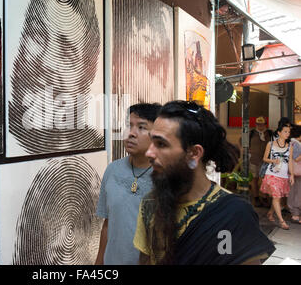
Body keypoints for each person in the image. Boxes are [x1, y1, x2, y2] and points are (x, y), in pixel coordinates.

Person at [133, 100, 275, 265]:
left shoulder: (233, 214)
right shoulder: (151, 204)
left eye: (161, 144)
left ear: (194, 153)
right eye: (151, 142)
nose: (149, 153)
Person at [95, 103, 162, 265]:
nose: (131, 133)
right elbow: (108, 224)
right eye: (128, 125)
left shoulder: (164, 177)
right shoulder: (113, 169)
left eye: (141, 127)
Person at [260, 123, 292, 230]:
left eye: (288, 132)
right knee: (276, 197)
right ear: (279, 133)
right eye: (285, 131)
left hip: (283, 175)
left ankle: (270, 213)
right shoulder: (270, 144)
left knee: (277, 197)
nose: (287, 134)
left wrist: (291, 174)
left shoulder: (289, 146)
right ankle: (282, 221)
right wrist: (273, 160)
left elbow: (290, 162)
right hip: (272, 174)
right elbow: (264, 158)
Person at [249, 117, 273, 207]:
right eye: (258, 124)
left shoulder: (270, 133)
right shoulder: (251, 133)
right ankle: (256, 197)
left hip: (266, 161)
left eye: (262, 124)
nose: (260, 126)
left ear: (265, 124)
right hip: (254, 160)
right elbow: (242, 142)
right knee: (254, 179)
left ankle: (264, 197)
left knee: (265, 180)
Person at [288, 125, 301, 223]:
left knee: (294, 192)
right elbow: (296, 158)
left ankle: (295, 214)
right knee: (296, 192)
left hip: (293, 172)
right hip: (296, 172)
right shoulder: (295, 143)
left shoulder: (291, 142)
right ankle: (295, 215)